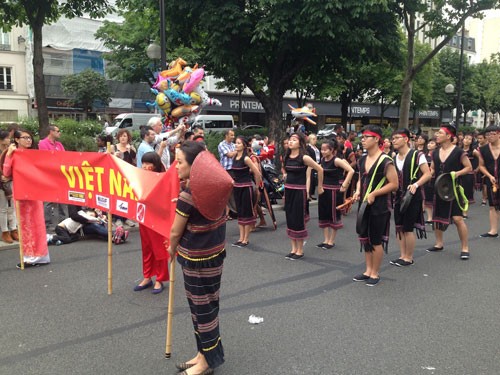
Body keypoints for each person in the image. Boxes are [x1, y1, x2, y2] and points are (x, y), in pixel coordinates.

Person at [168, 141, 229, 375]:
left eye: (180, 162)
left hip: (196, 260)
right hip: (214, 256)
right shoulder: (213, 188)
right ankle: (202, 354)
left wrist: (171, 249)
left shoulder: (189, 194)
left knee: (203, 311)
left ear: (195, 166)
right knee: (205, 308)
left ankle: (207, 363)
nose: (175, 166)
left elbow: (175, 231)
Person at [352, 125, 398, 286]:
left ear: (376, 139)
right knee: (365, 238)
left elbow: (394, 184)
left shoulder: (386, 160)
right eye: (362, 137)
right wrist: (358, 191)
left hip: (379, 205)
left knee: (375, 240)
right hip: (364, 203)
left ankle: (375, 273)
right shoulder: (362, 159)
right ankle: (367, 270)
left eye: (366, 137)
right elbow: (360, 178)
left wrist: (374, 194)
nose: (362, 140)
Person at [3, 130, 50, 268]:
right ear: (17, 140)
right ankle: (30, 256)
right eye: (25, 138)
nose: (29, 140)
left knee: (37, 224)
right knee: (25, 225)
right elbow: (6, 173)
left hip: (35, 193)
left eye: (30, 138)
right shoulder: (13, 154)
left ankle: (40, 256)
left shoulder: (34, 154)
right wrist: (9, 155)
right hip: (22, 193)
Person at [428, 125, 472, 260]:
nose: (437, 135)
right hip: (438, 188)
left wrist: (456, 174)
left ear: (448, 136)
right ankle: (439, 243)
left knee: (458, 219)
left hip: (453, 189)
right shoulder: (435, 152)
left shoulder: (458, 152)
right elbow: (432, 169)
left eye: (440, 133)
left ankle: (465, 248)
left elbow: (469, 167)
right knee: (436, 219)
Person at [389, 129, 431, 267]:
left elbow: (427, 174)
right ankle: (402, 256)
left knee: (408, 228)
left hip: (413, 197)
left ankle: (409, 257)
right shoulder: (393, 157)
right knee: (399, 227)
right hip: (398, 197)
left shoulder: (417, 155)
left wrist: (416, 184)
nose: (393, 140)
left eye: (396, 138)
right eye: (392, 138)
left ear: (406, 139)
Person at [283, 132, 324, 260]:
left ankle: (300, 250)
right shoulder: (287, 156)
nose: (290, 142)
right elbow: (285, 171)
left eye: (294, 140)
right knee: (289, 218)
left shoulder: (304, 157)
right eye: (290, 140)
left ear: (300, 143)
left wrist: (320, 187)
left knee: (298, 219)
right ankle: (293, 248)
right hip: (288, 190)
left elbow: (320, 169)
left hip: (299, 191)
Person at [133, 152, 170, 294]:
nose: (146, 166)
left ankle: (160, 279)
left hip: (158, 219)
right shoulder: (139, 176)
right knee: (147, 248)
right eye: (144, 163)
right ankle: (147, 276)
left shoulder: (163, 177)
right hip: (144, 217)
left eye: (149, 163)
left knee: (159, 250)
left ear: (155, 164)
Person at [317, 139, 354, 249]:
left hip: (334, 191)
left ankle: (331, 241)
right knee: (324, 214)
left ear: (332, 150)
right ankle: (325, 240)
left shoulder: (337, 160)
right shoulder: (323, 160)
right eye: (321, 149)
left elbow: (351, 170)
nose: (323, 151)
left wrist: (344, 185)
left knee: (334, 215)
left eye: (325, 149)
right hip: (323, 191)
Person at [230, 136, 262, 247]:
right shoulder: (234, 157)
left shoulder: (246, 158)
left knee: (246, 212)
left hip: (246, 187)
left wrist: (257, 187)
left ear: (244, 145)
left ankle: (246, 239)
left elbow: (257, 172)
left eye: (238, 143)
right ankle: (240, 238)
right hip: (237, 187)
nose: (236, 144)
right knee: (240, 212)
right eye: (236, 143)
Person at [39, 124, 67, 231]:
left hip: (60, 175)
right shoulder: (43, 143)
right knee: (48, 200)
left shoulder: (59, 144)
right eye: (58, 131)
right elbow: (47, 159)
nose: (59, 133)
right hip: (49, 175)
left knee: (63, 199)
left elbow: (64, 157)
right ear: (51, 132)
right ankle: (47, 224)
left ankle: (63, 222)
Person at [478, 125, 500, 238]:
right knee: (492, 205)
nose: (490, 136)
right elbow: (481, 166)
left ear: (499, 134)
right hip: (491, 180)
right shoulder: (483, 149)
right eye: (488, 135)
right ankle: (493, 230)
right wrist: (489, 175)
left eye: (493, 134)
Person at [0, 130, 17, 243]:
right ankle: (5, 232)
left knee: (13, 208)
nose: (9, 140)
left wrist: (9, 177)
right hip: (1, 184)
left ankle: (14, 230)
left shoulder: (10, 151)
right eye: (7, 138)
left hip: (11, 181)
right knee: (3, 209)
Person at [460, 133, 480, 218]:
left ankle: (465, 212)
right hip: (459, 173)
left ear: (472, 141)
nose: (467, 140)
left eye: (469, 139)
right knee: (457, 192)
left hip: (469, 175)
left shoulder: (474, 151)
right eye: (466, 138)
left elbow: (481, 161)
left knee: (466, 193)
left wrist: (477, 169)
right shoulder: (458, 150)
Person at [423, 138, 437, 223]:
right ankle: (429, 217)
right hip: (426, 179)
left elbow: (434, 168)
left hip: (435, 179)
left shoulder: (437, 155)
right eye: (429, 143)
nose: (429, 145)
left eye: (432, 143)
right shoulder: (424, 155)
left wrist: (429, 175)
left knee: (435, 198)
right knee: (427, 198)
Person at [306, 134, 321, 200]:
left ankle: (311, 193)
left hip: (317, 164)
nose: (315, 140)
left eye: (315, 139)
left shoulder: (316, 148)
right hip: (311, 166)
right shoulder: (308, 148)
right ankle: (308, 194)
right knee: (310, 179)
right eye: (313, 139)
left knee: (314, 180)